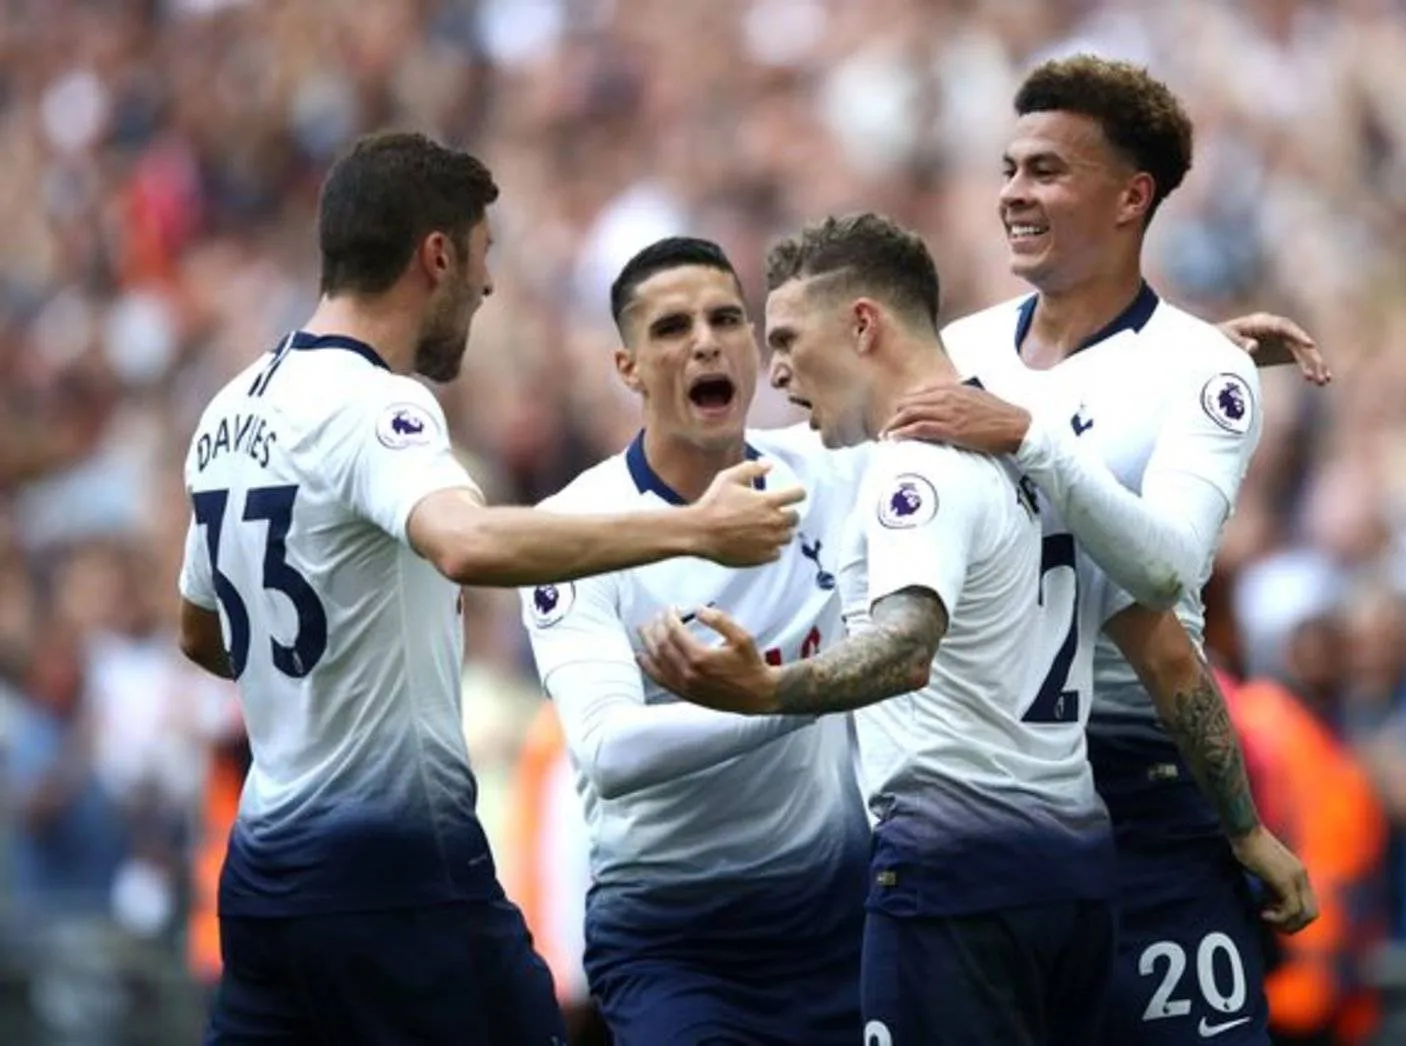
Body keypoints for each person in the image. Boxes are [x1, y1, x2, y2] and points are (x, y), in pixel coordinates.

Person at [174, 132, 803, 1046]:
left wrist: (325, 666)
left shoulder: (230, 410)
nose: (490, 286)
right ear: (438, 255)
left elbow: (200, 632)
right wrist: (695, 526)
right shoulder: (375, 404)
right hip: (398, 877)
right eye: (484, 256)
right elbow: (464, 542)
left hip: (266, 885)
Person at [638, 213, 1312, 1046]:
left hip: (951, 882)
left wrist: (764, 688)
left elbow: (908, 645)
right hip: (1077, 872)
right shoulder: (1042, 452)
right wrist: (1245, 828)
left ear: (861, 324)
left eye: (785, 339)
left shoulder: (912, 469)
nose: (774, 372)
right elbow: (1164, 650)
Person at [883, 55, 1322, 1045]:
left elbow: (1166, 568)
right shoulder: (961, 347)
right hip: (982, 802)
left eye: (1046, 170)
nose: (1012, 194)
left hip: (1142, 792)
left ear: (1132, 197)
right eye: (1008, 168)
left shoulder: (1200, 370)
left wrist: (1026, 433)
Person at [517, 237, 869, 1045]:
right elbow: (608, 751)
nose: (705, 341)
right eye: (672, 328)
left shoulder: (832, 473)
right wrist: (785, 698)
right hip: (672, 941)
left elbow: (957, 387)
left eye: (725, 319)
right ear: (628, 367)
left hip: (837, 920)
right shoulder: (572, 531)